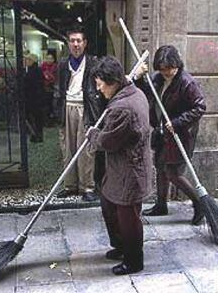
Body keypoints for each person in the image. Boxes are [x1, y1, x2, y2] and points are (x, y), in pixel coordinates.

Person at [86, 56, 152, 275]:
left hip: (129, 170)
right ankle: (121, 246)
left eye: (100, 84)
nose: (98, 89)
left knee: (128, 216)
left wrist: (93, 134)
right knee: (108, 205)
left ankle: (134, 260)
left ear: (113, 81)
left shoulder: (123, 108)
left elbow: (108, 141)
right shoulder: (132, 92)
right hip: (121, 167)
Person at [138, 45, 206, 225]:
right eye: (162, 69)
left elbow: (199, 107)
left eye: (169, 69)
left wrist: (177, 122)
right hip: (162, 131)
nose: (166, 73)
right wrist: (139, 77)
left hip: (180, 134)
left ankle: (199, 203)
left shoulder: (186, 82)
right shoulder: (158, 79)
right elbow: (144, 92)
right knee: (160, 167)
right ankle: (161, 205)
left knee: (173, 172)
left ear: (176, 64)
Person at [56, 25, 106, 202]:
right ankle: (70, 186)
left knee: (85, 150)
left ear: (85, 43)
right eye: (72, 41)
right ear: (68, 43)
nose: (75, 44)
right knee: (67, 150)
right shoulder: (62, 63)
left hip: (86, 108)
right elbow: (58, 88)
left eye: (79, 40)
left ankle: (87, 187)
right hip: (66, 107)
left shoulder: (93, 62)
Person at [24, 53, 45, 142]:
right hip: (37, 98)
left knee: (34, 118)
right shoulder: (37, 70)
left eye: (28, 60)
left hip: (32, 98)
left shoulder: (32, 71)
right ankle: (37, 134)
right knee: (37, 118)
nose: (26, 62)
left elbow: (28, 84)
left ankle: (35, 135)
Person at [40, 53, 58, 124]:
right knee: (46, 105)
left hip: (53, 88)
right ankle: (46, 120)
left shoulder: (55, 67)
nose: (49, 60)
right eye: (47, 58)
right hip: (44, 89)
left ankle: (52, 119)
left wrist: (50, 76)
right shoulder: (42, 67)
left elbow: (55, 78)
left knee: (52, 105)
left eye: (51, 58)